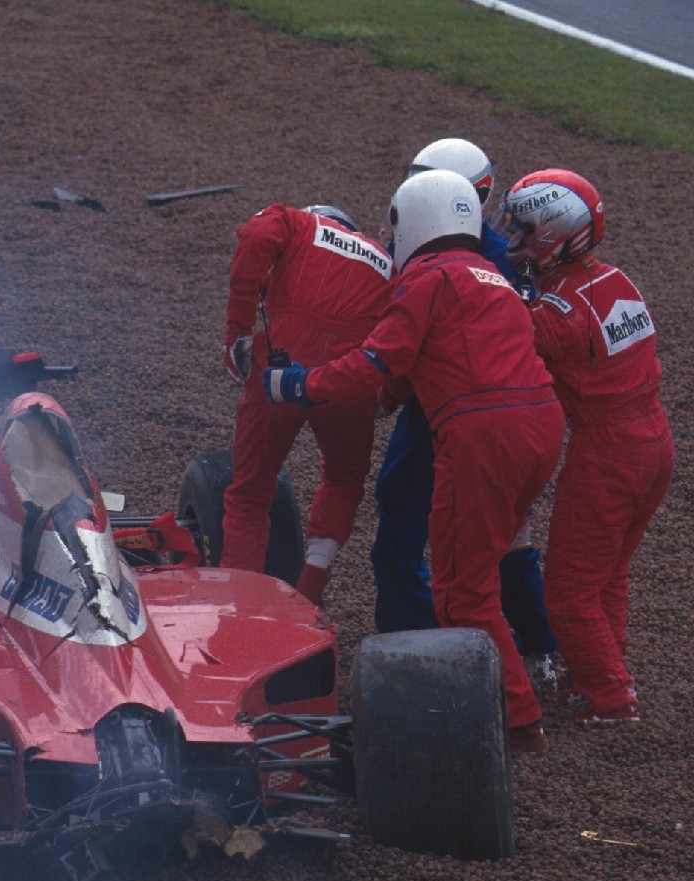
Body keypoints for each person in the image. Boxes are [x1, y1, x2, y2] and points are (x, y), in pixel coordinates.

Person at [264, 170, 564, 752]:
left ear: (419, 220)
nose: (387, 232)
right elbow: (432, 361)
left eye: (394, 222)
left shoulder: (427, 279)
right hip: (540, 424)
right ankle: (530, 679)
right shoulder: (492, 277)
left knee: (461, 589)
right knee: (489, 561)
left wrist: (302, 384)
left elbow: (377, 361)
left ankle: (517, 720)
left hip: (481, 432)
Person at [370, 138, 557, 686]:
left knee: (422, 532)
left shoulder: (460, 259)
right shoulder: (504, 260)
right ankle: (531, 644)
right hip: (492, 413)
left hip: (452, 415)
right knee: (497, 536)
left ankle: (419, 649)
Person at [500, 169, 673, 724]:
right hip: (654, 445)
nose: (516, 242)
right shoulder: (619, 279)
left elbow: (507, 334)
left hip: (608, 454)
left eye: (525, 231)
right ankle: (595, 677)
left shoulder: (558, 316)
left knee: (570, 592)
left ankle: (611, 696)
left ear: (557, 233)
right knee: (608, 576)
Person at [220, 203, 393, 605]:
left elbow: (258, 237)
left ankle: (238, 604)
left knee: (250, 492)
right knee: (343, 479)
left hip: (280, 367)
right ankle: (310, 591)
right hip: (348, 379)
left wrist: (236, 331)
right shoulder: (388, 261)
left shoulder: (295, 223)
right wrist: (392, 393)